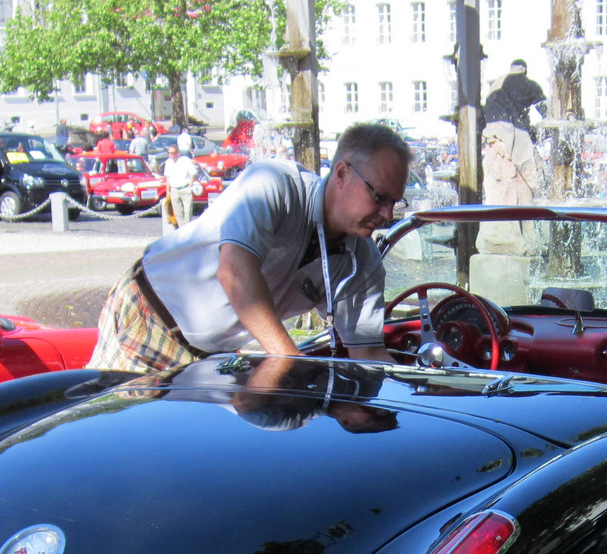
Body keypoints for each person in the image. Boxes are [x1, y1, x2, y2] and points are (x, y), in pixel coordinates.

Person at [87, 122, 412, 374]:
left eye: (395, 202)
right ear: (341, 173)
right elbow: (234, 272)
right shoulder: (273, 183)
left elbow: (368, 354)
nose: (386, 215)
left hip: (209, 359)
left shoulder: (363, 261)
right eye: (379, 197)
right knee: (108, 445)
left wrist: (425, 386)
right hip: (149, 317)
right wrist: (292, 363)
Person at [481, 59, 545, 254]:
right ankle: (529, 240)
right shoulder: (528, 84)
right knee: (530, 181)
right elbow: (546, 109)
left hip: (492, 136)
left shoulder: (495, 84)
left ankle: (503, 240)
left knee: (498, 193)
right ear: (524, 70)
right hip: (513, 133)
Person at [160, 141, 204, 228]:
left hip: (185, 188)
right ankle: (182, 230)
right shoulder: (168, 162)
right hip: (174, 190)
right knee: (178, 213)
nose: (170, 155)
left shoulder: (185, 160)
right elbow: (168, 178)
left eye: (172, 153)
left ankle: (187, 229)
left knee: (187, 211)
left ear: (177, 153)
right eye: (168, 153)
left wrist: (190, 186)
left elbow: (192, 173)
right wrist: (167, 191)